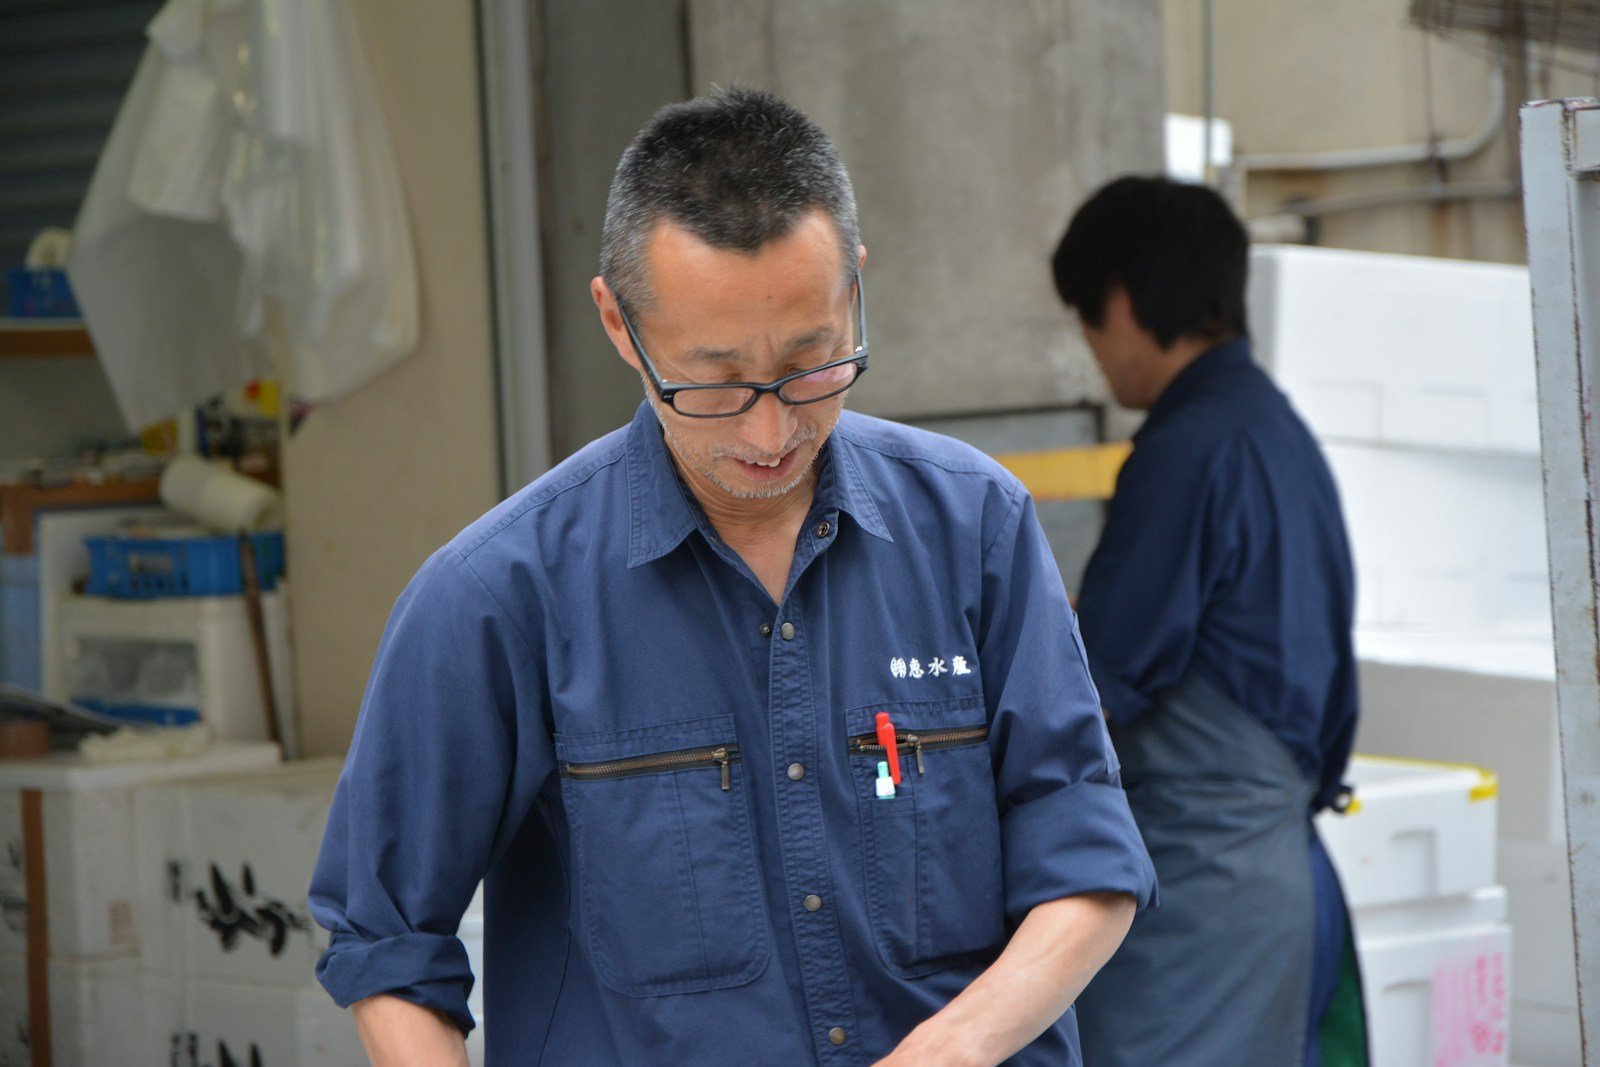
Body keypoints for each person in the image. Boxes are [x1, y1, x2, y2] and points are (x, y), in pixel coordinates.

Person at [310, 88, 1156, 1067]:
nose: (770, 430)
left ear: (854, 290)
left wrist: (958, 1045)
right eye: (712, 381)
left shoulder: (974, 524)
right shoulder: (496, 594)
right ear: (619, 324)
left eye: (811, 363)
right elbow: (385, 939)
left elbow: (1087, 856)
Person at [1052, 175, 1367, 1067]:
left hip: (1205, 888)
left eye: (1086, 322)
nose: (1095, 353)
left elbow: (1101, 682)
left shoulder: (1187, 448)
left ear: (1120, 301)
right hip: (1272, 877)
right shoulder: (1274, 429)